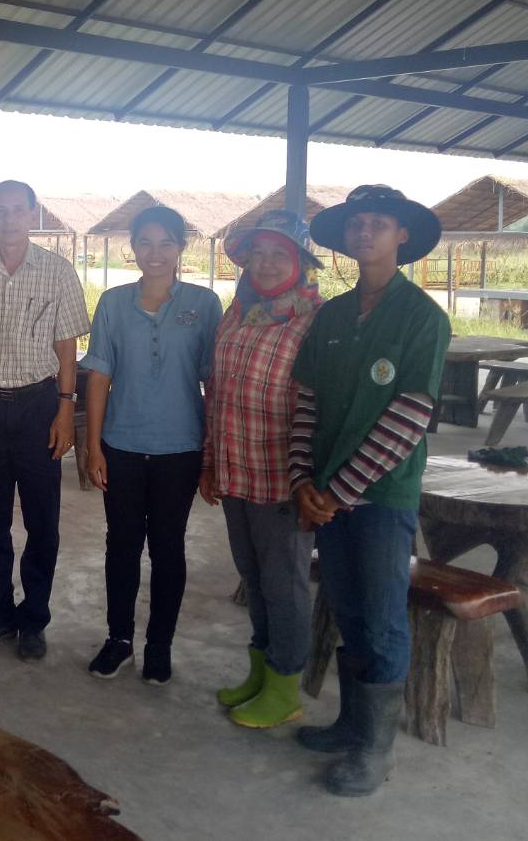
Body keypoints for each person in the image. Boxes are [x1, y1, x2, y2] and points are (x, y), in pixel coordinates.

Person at [289, 185, 449, 797]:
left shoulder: (422, 318)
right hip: (326, 492)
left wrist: (339, 491)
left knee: (383, 618)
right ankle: (352, 724)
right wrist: (304, 480)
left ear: (402, 235)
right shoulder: (331, 315)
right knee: (348, 609)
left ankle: (377, 750)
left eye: (378, 224)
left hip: (381, 498)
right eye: (357, 224)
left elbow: (409, 416)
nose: (365, 233)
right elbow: (305, 402)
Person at [83, 206, 222, 686]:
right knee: (121, 545)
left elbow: (213, 382)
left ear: (181, 247)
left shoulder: (204, 304)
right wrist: (93, 446)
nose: (155, 253)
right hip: (121, 444)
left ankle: (159, 645)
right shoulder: (113, 303)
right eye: (145, 242)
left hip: (180, 448)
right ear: (133, 248)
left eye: (166, 243)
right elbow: (98, 377)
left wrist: (211, 453)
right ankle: (118, 640)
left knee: (168, 547)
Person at [0, 180, 89, 661]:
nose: (8, 218)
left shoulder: (57, 271)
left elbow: (67, 347)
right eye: (0, 210)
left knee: (42, 522)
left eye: (17, 209)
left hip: (39, 406)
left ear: (33, 214)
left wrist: (66, 409)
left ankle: (33, 619)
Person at [199, 209, 325, 726]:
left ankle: (285, 689)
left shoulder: (315, 320)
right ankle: (262, 670)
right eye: (259, 253)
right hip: (236, 471)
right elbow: (217, 392)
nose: (267, 263)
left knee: (284, 585)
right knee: (252, 578)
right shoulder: (238, 313)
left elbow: (320, 406)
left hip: (282, 478)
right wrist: (210, 462)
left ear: (300, 263)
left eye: (280, 254)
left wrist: (310, 479)